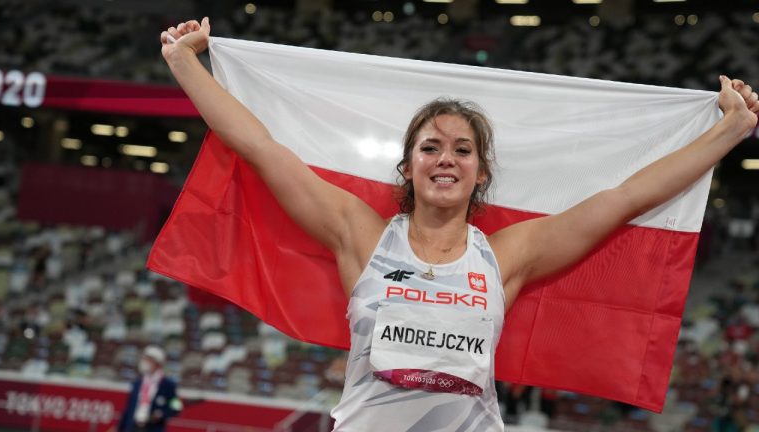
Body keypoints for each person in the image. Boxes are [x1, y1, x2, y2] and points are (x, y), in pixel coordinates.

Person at [159, 18, 759, 431]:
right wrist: (186, 63)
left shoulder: (508, 255)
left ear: (480, 173)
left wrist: (728, 132)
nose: (445, 157)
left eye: (462, 149)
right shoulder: (361, 234)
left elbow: (626, 197)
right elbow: (261, 147)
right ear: (409, 165)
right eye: (430, 146)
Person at [115, 346, 182, 432]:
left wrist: (162, 414)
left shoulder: (167, 385)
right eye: (144, 359)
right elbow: (129, 409)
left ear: (157, 363)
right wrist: (120, 428)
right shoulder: (138, 383)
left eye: (148, 359)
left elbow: (176, 406)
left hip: (153, 428)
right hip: (133, 427)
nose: (144, 362)